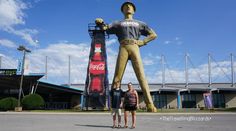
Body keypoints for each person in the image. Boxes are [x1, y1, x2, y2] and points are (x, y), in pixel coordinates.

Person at [95, 1, 157, 112]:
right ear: (122, 10)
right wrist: (100, 23)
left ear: (133, 10)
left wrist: (143, 42)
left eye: (130, 6)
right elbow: (105, 28)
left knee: (141, 76)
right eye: (125, 6)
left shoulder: (140, 23)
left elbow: (153, 34)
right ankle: (112, 105)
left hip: (134, 46)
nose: (128, 7)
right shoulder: (118, 23)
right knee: (117, 77)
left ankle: (150, 105)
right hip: (123, 46)